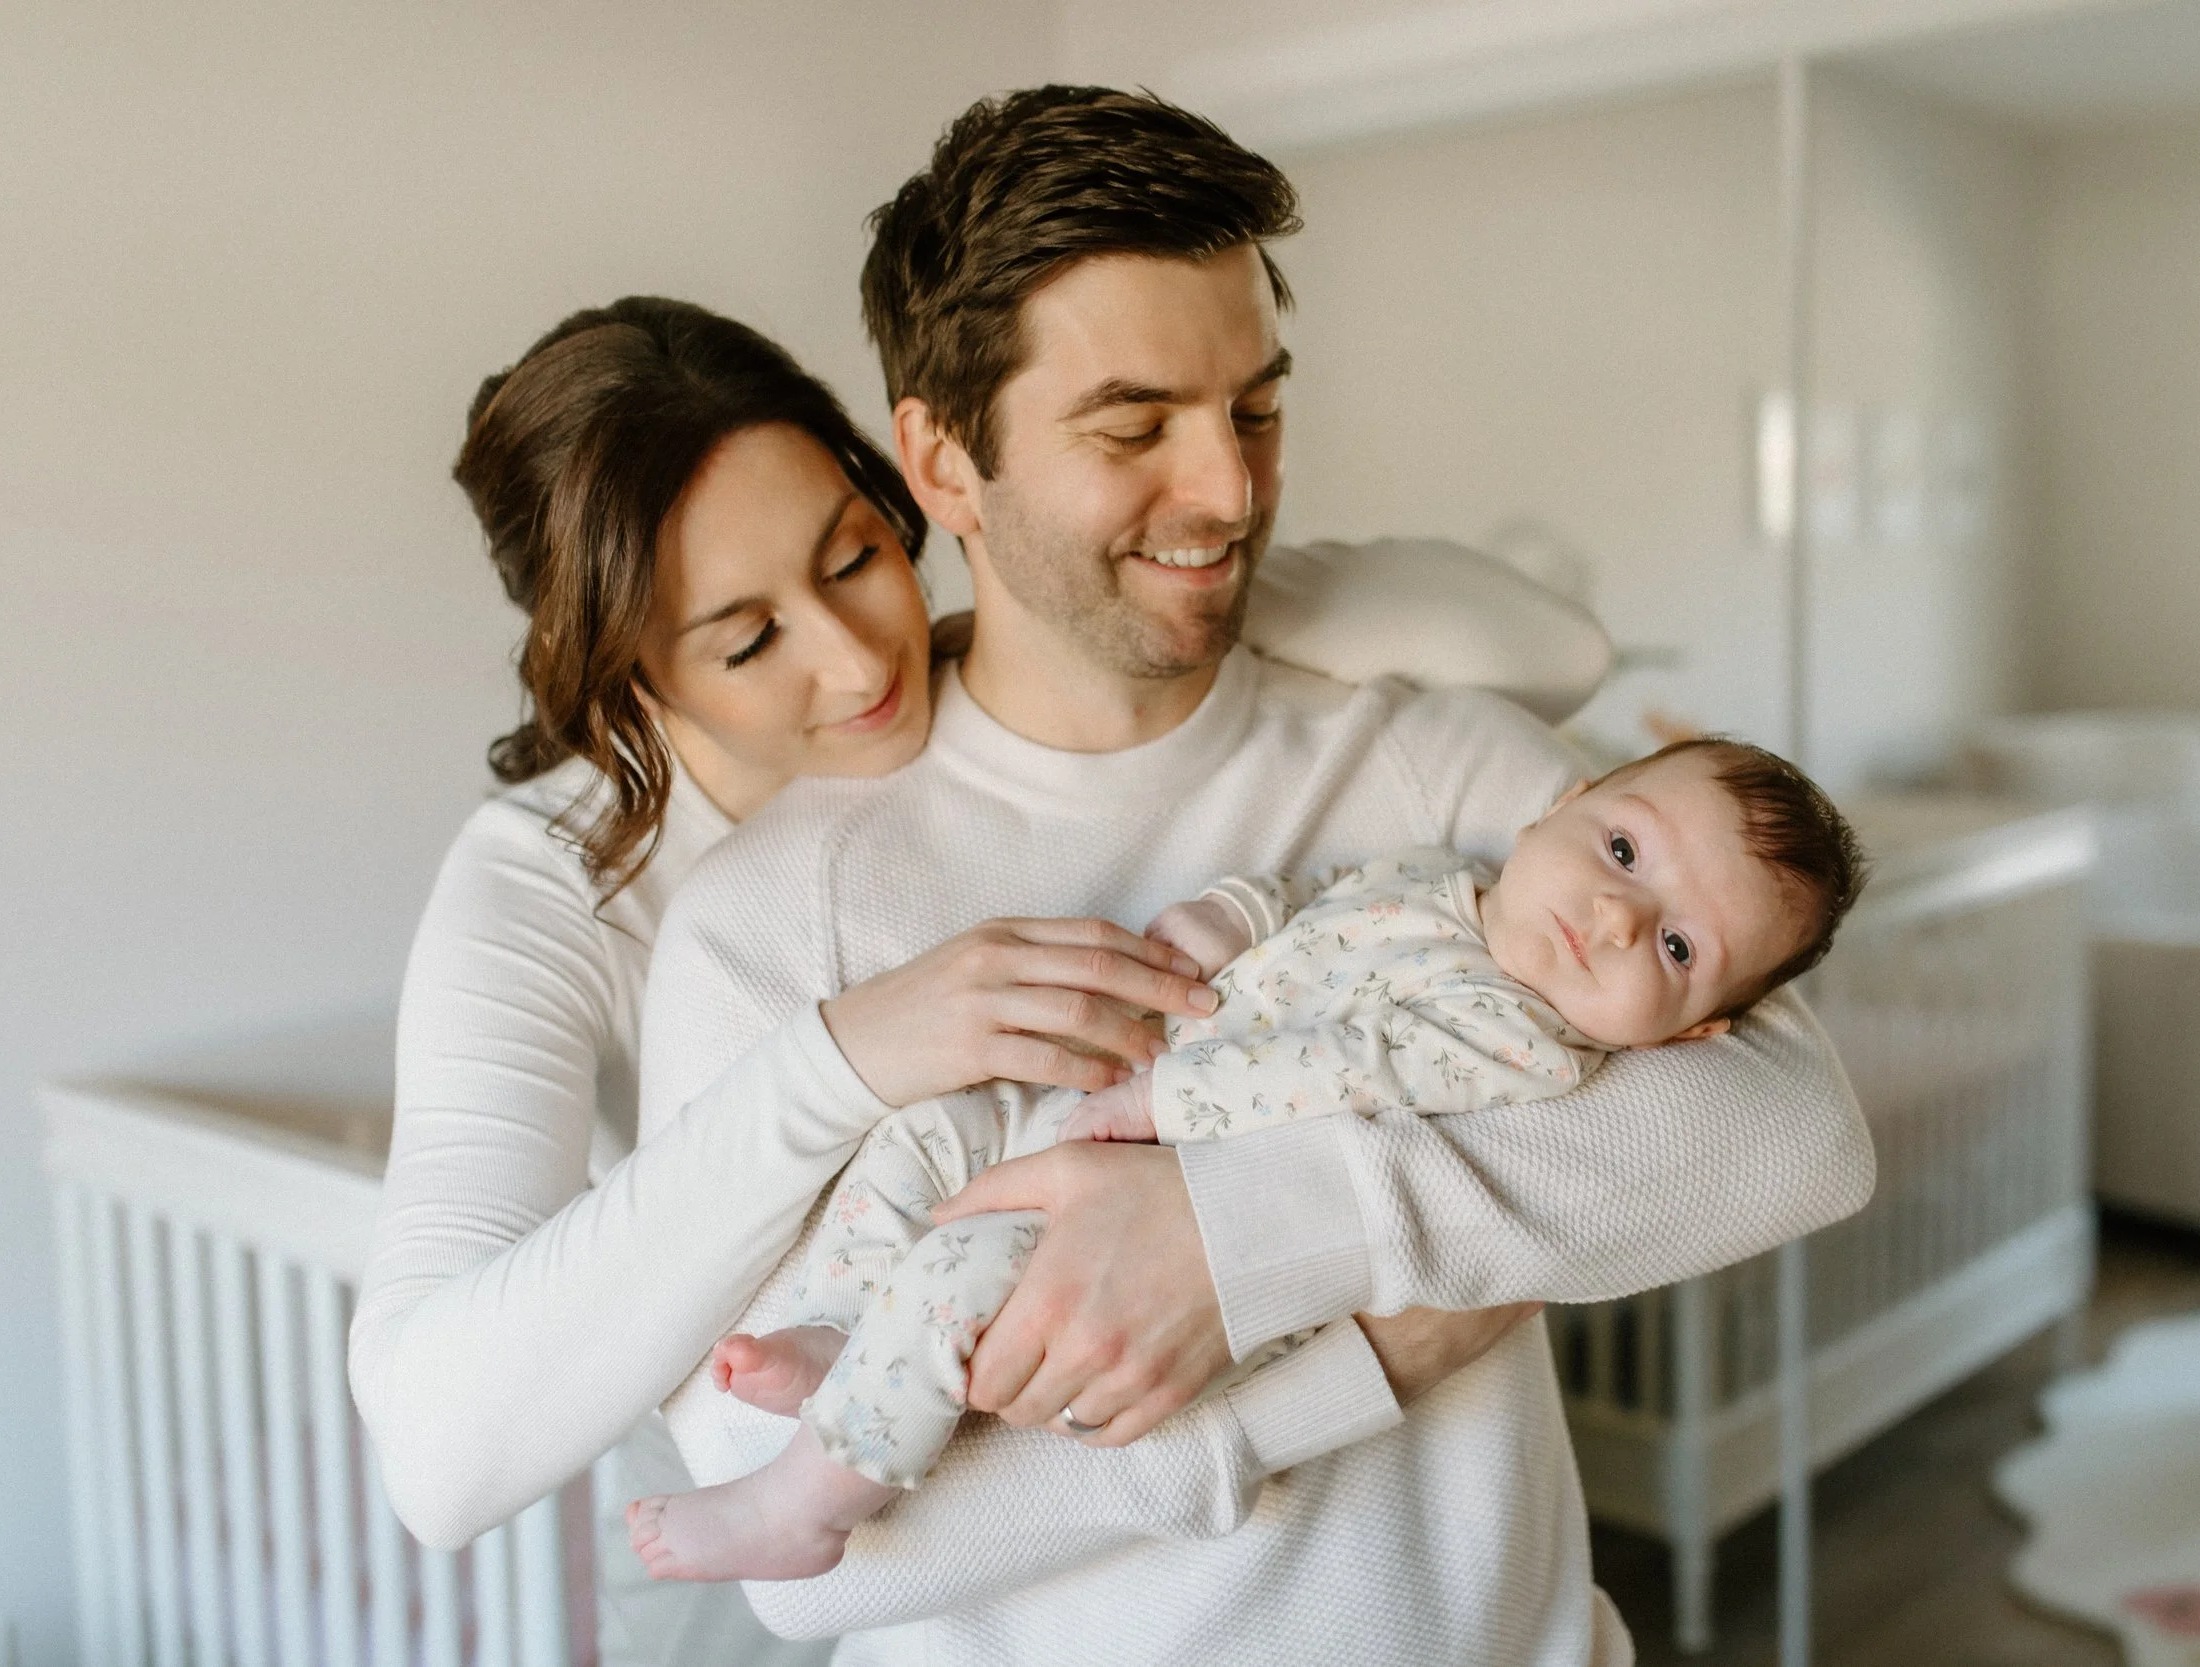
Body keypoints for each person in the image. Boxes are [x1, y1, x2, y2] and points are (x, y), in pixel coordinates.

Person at [638, 86, 1874, 1663]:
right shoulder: (775, 918)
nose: (1228, 491)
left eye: (1257, 407)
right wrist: (1377, 1351)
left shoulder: (1443, 767)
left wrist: (1248, 1235)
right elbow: (811, 1555)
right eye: (1134, 425)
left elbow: (1795, 1135)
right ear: (944, 461)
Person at [347, 296, 1612, 1663]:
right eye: (747, 637)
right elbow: (439, 1449)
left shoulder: (973, 697)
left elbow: (1561, 654)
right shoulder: (555, 882)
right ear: (625, 676)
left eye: (854, 554)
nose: (854, 656)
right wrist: (843, 1060)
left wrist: (1178, 567)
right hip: (737, 1510)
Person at [627, 738, 1868, 1583]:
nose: (1611, 919)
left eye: (1673, 947)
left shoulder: (1524, 1043)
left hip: (1195, 1180)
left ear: (1700, 1029)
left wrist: (1168, 1095)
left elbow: (1350, 1069)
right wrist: (1234, 914)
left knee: (969, 1268)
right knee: (922, 1138)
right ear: (1566, 799)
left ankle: (812, 1497)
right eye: (1621, 852)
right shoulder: (1443, 879)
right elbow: (1316, 898)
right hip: (1121, 1101)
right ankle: (851, 1335)